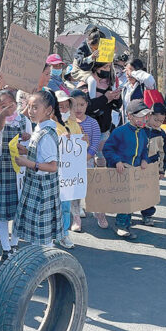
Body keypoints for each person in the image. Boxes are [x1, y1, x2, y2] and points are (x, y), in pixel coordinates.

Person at [12, 89, 64, 246]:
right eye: (29, 106)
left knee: (42, 235)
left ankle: (45, 264)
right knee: (37, 232)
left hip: (41, 188)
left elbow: (52, 166)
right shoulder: (40, 128)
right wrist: (27, 152)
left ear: (48, 110)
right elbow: (41, 155)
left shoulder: (46, 134)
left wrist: (27, 163)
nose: (30, 111)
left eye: (35, 107)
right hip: (36, 185)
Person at [0, 90, 32, 261]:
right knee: (3, 212)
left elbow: (30, 145)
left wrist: (26, 140)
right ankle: (5, 248)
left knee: (19, 210)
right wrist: (2, 118)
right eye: (2, 106)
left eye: (10, 104)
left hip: (20, 169)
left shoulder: (24, 119)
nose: (7, 109)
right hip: (2, 168)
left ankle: (14, 243)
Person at [103, 100, 150, 239]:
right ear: (130, 116)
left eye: (145, 116)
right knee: (125, 199)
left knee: (132, 199)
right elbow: (107, 149)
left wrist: (144, 159)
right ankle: (120, 224)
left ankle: (126, 222)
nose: (143, 119)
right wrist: (117, 161)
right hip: (121, 171)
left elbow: (144, 150)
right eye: (140, 116)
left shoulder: (142, 133)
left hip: (134, 172)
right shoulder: (120, 131)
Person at [86, 62, 122, 229]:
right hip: (85, 131)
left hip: (103, 130)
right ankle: (77, 209)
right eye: (103, 68)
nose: (107, 71)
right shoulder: (86, 82)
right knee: (84, 171)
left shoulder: (112, 82)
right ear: (95, 68)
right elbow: (86, 107)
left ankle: (100, 210)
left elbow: (117, 106)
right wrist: (105, 98)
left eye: (109, 68)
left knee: (101, 169)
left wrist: (116, 96)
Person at [70, 90, 101, 232]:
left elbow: (95, 143)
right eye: (75, 105)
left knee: (90, 189)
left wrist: (87, 157)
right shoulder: (67, 123)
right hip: (71, 164)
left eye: (81, 105)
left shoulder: (93, 123)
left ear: (87, 105)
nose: (78, 108)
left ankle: (99, 212)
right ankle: (76, 218)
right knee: (74, 191)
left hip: (87, 163)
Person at [53, 90, 81, 246]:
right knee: (51, 206)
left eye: (66, 106)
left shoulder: (74, 125)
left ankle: (63, 234)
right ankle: (49, 234)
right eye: (60, 106)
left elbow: (80, 147)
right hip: (53, 172)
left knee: (65, 206)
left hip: (68, 173)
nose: (63, 109)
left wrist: (84, 140)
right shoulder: (50, 125)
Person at [141, 103, 166, 226]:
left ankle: (147, 215)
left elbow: (163, 153)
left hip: (153, 167)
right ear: (149, 115)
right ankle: (128, 213)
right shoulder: (140, 129)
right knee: (134, 190)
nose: (157, 123)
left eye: (161, 121)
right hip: (138, 165)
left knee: (150, 192)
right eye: (156, 119)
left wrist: (161, 170)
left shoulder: (162, 134)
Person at [121, 58, 155, 124]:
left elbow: (148, 79)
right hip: (128, 124)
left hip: (143, 125)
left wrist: (132, 73)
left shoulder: (145, 85)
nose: (128, 74)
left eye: (130, 70)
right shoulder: (125, 87)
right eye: (126, 71)